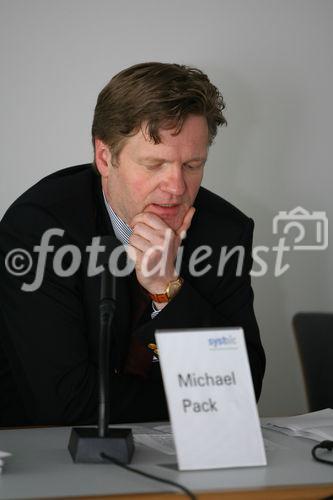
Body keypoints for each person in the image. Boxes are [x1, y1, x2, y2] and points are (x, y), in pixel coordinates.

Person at [0, 62, 265, 426]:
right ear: (106, 158)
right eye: (155, 164)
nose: (176, 187)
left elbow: (243, 389)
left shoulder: (224, 231)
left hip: (180, 458)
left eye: (192, 165)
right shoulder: (39, 228)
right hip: (47, 459)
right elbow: (67, 405)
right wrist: (199, 401)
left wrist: (165, 291)